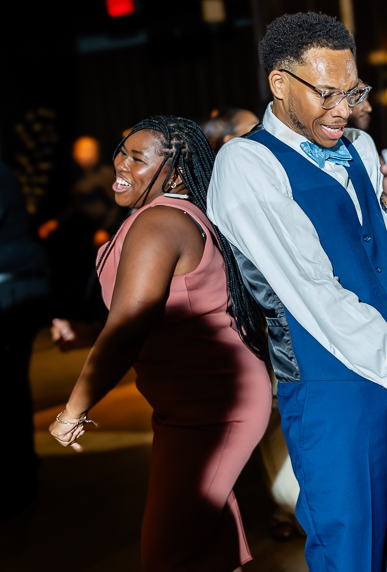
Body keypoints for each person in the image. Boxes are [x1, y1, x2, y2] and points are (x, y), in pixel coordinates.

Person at [206, 12, 387, 572]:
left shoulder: (361, 146)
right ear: (280, 84)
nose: (344, 109)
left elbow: (386, 267)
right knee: (349, 552)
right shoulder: (245, 163)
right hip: (333, 385)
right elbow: (314, 294)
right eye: (327, 94)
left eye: (352, 92)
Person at [48, 116, 271, 572]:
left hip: (213, 406)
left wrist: (72, 411)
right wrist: (88, 332)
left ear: (173, 173)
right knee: (205, 542)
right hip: (185, 404)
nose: (120, 163)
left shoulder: (160, 222)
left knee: (167, 553)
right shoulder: (161, 218)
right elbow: (167, 313)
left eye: (137, 157)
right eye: (121, 151)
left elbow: (129, 326)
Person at [0, 153, 50, 523]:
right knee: (5, 392)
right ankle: (18, 472)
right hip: (14, 289)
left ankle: (18, 485)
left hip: (4, 295)